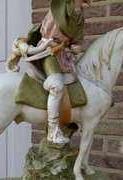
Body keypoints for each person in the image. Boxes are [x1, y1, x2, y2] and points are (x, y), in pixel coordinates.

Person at [37, 0, 93, 143]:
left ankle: (66, 119)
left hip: (61, 54)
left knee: (75, 81)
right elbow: (53, 33)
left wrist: (77, 47)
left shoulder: (80, 13)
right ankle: (52, 131)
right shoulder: (61, 6)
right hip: (48, 51)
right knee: (57, 86)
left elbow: (76, 39)